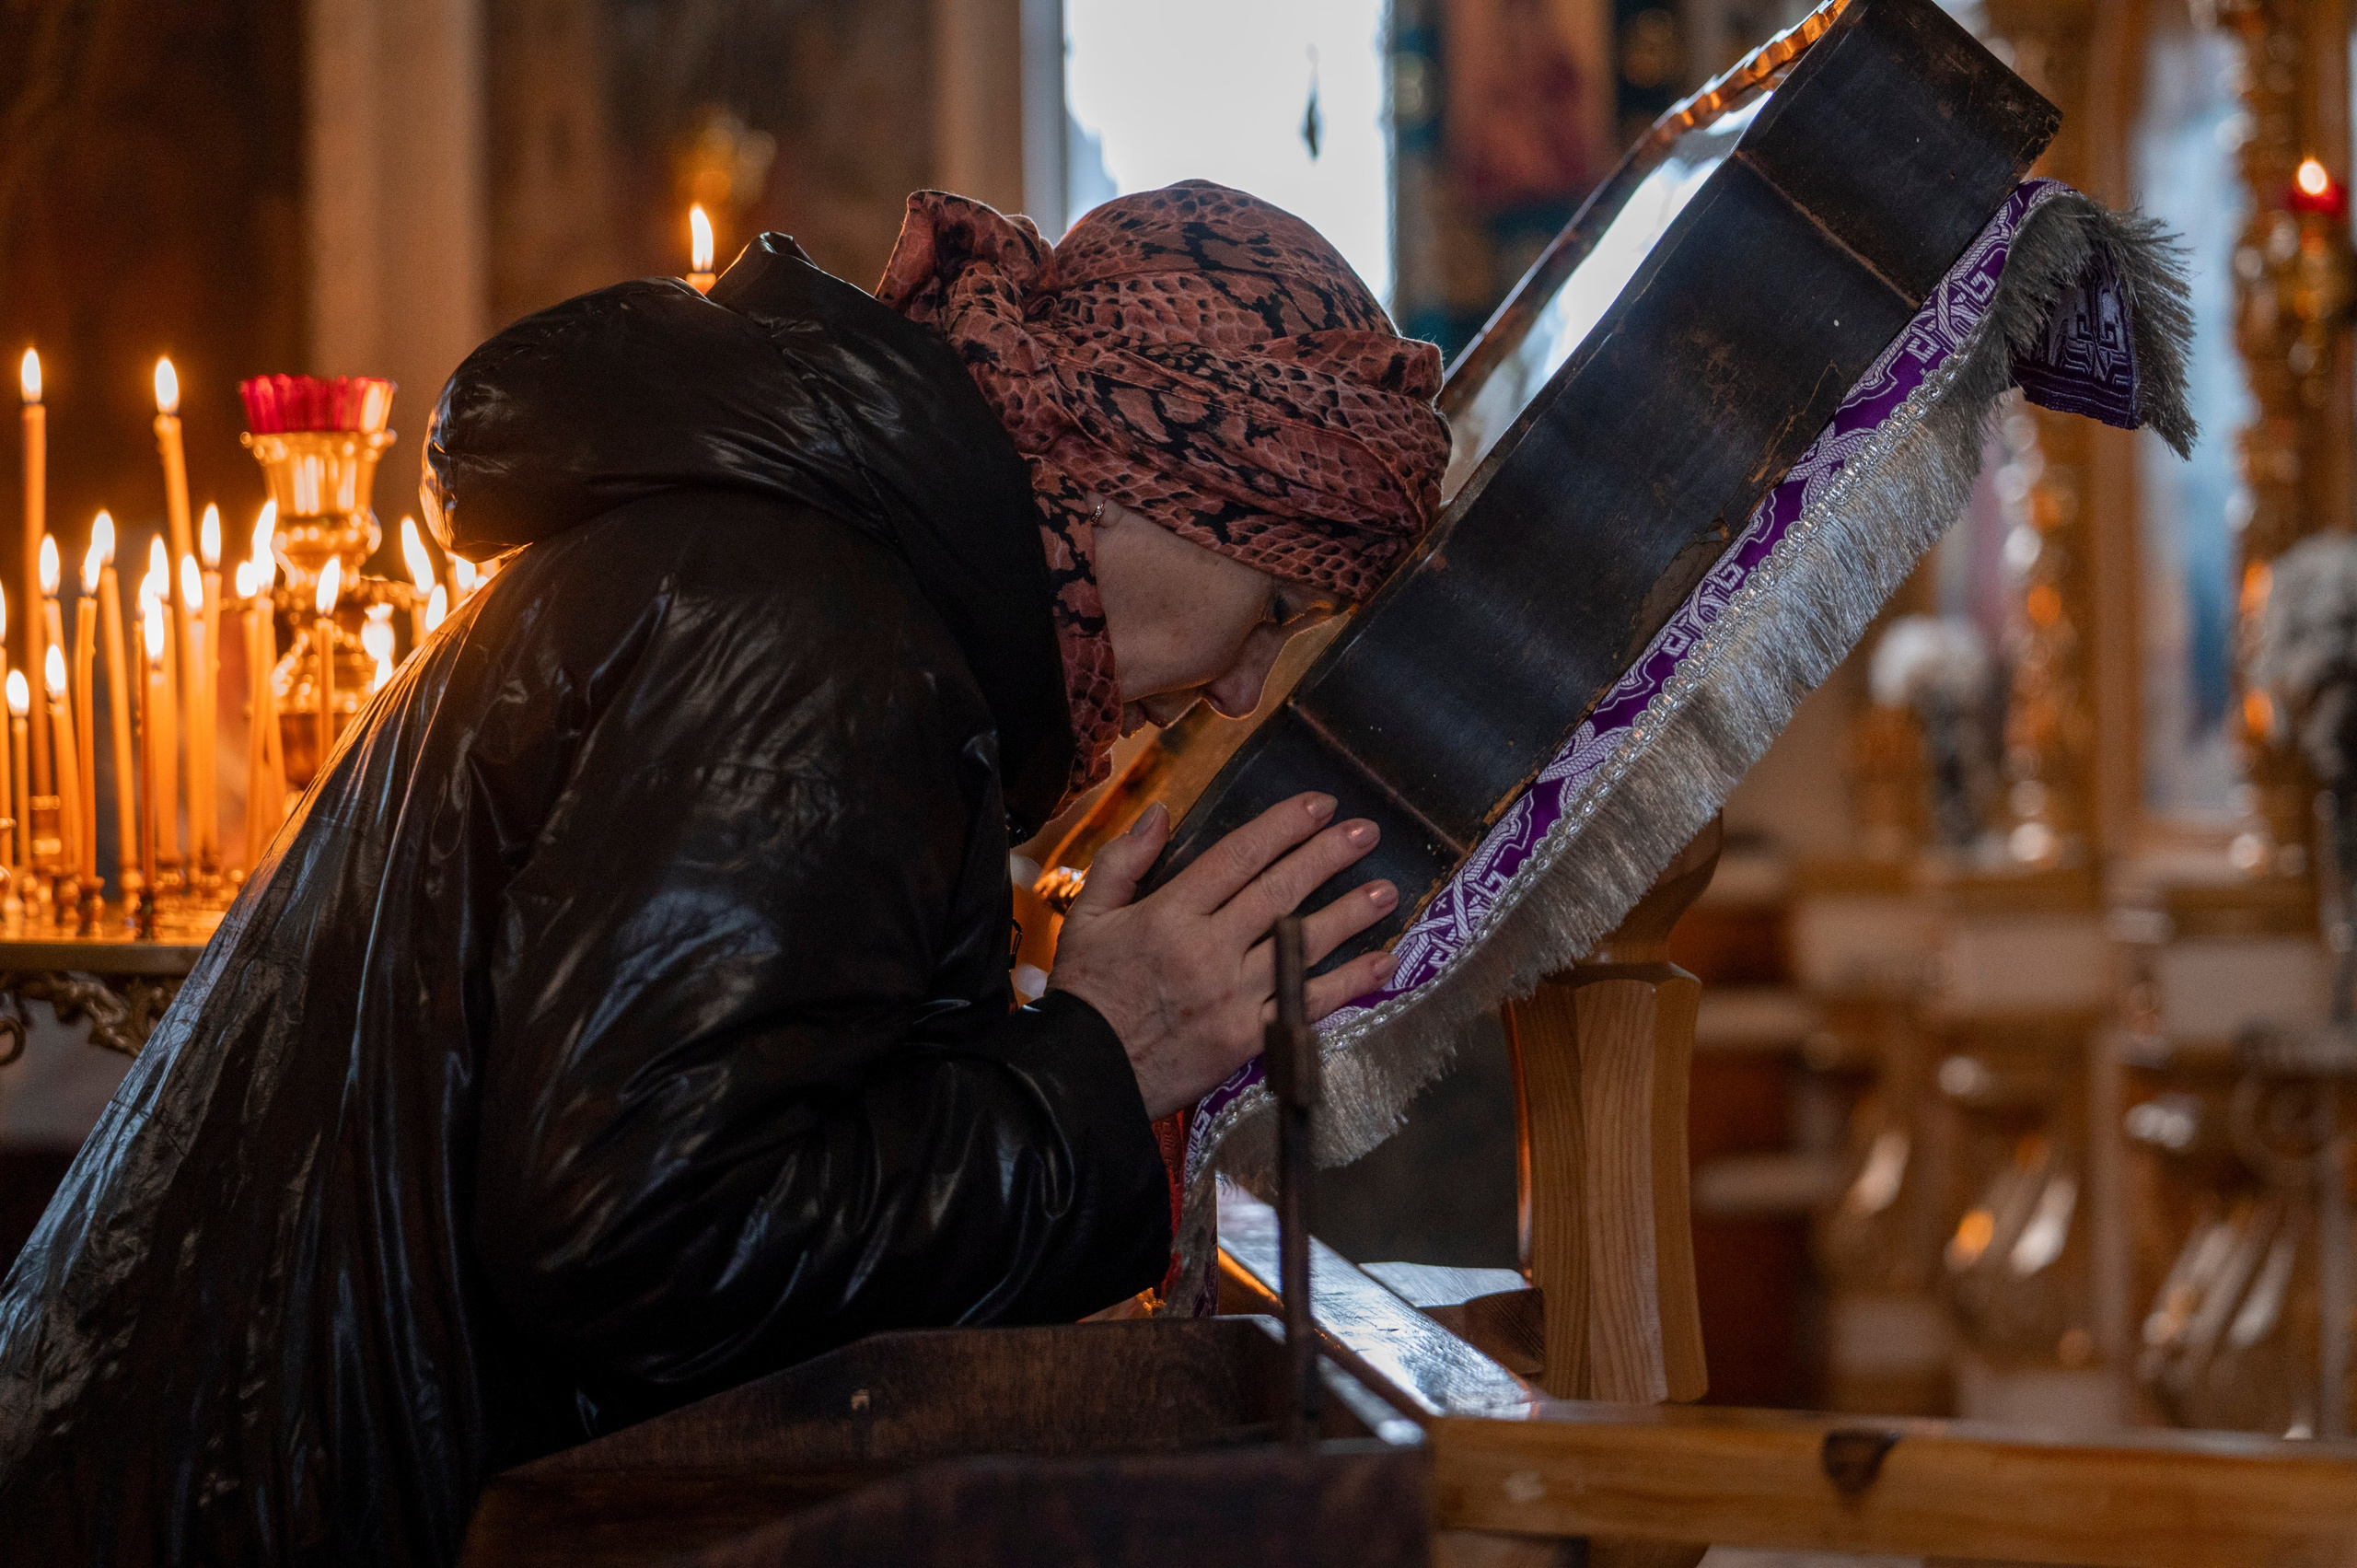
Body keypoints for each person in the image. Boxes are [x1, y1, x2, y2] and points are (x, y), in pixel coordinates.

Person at [0, 180, 1448, 1565]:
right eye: (1276, 604)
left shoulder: (814, 574)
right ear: (1148, 477)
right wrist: (1093, 1062)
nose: (1248, 688)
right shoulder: (817, 644)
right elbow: (645, 1245)